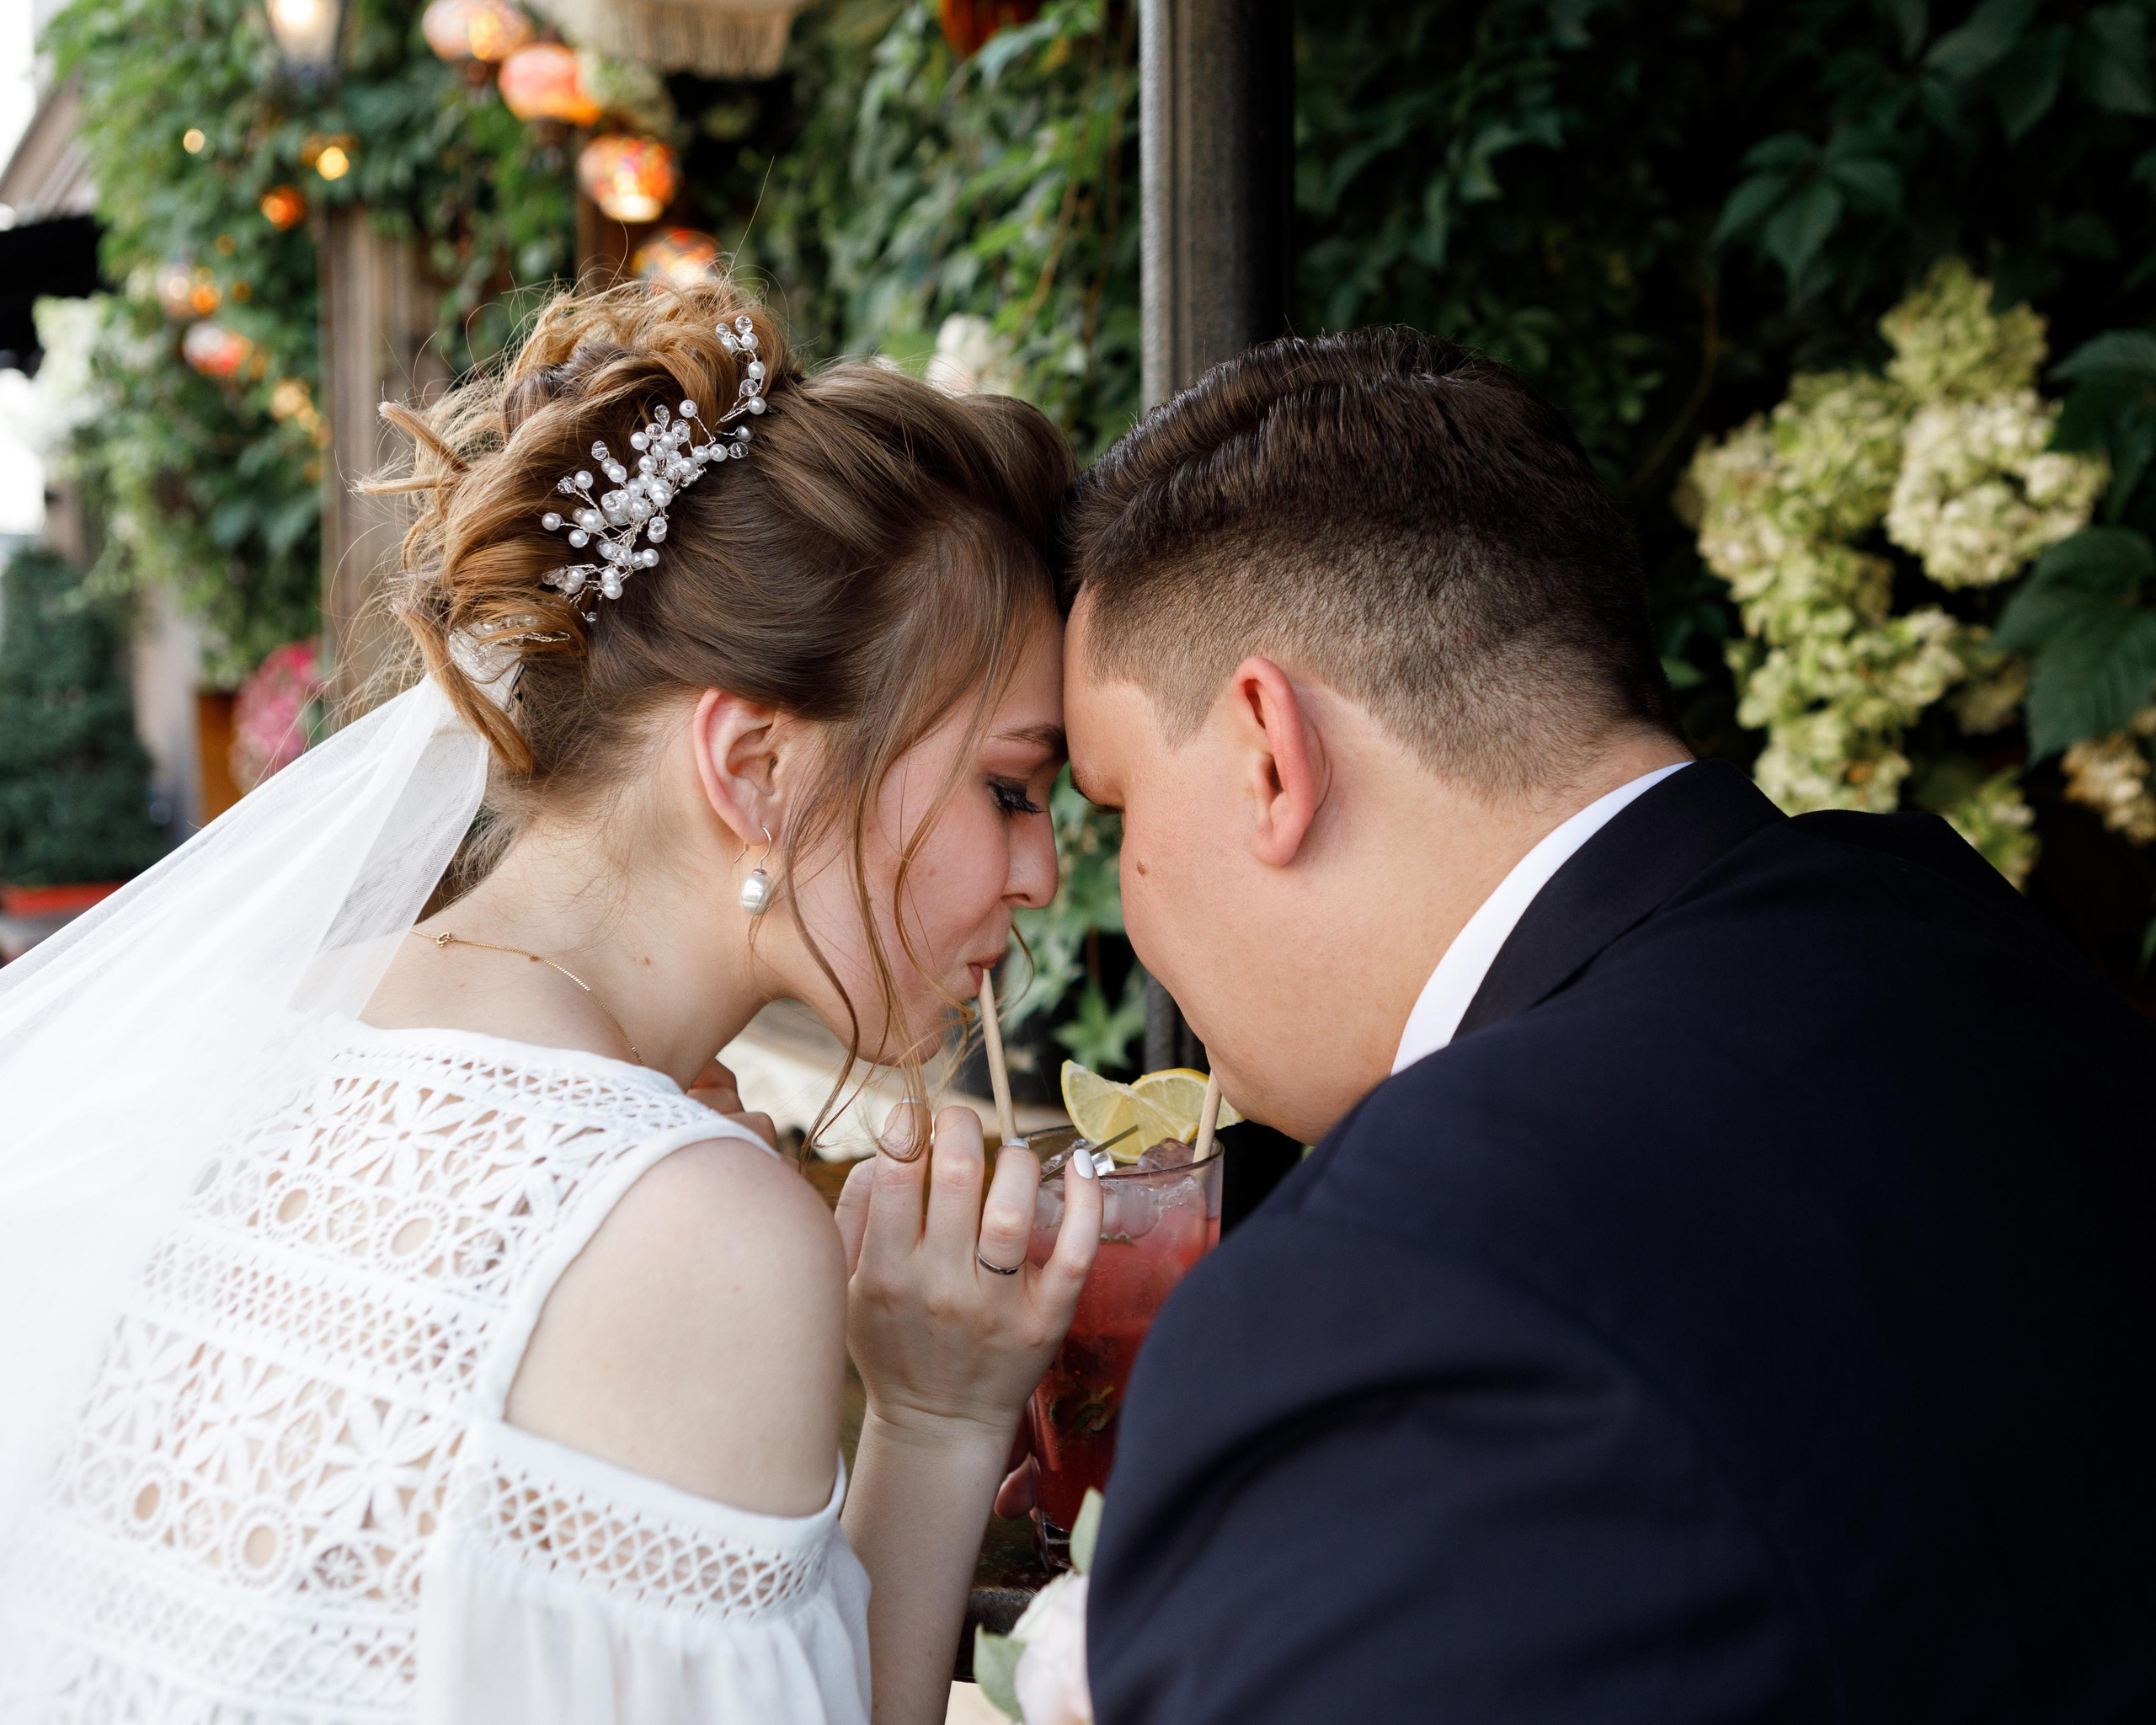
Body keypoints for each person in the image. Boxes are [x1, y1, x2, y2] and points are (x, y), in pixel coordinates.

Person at [0, 277, 1105, 1725]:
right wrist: (943, 1414)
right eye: (1010, 787)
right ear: (756, 768)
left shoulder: (269, 1015)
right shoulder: (688, 1226)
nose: (1041, 872)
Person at [1058, 328, 2156, 1722]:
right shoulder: (1958, 934)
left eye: (1113, 807)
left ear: (1272, 753)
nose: (1119, 895)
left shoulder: (1391, 1289)